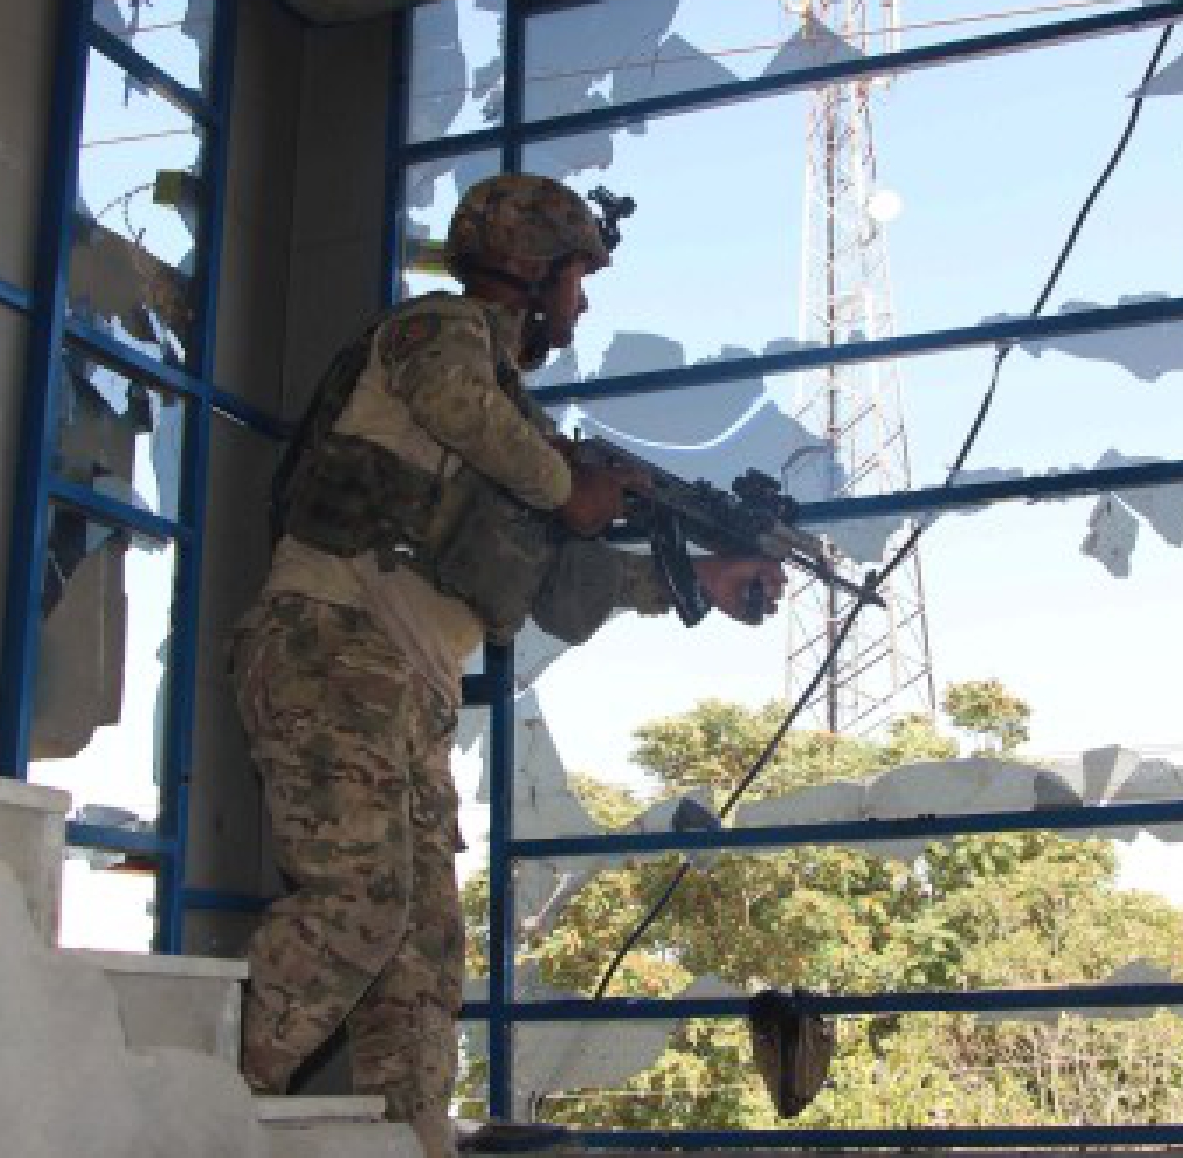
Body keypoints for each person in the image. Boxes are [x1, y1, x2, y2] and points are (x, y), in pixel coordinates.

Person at [228, 172, 785, 1156]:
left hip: (406, 686)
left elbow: (567, 576)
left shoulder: (512, 422)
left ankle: (411, 1140)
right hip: (329, 643)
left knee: (423, 948)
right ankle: (183, 1097)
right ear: (530, 273)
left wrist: (702, 573)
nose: (580, 304)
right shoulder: (435, 333)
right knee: (358, 903)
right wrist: (570, 482)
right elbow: (465, 413)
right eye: (577, 278)